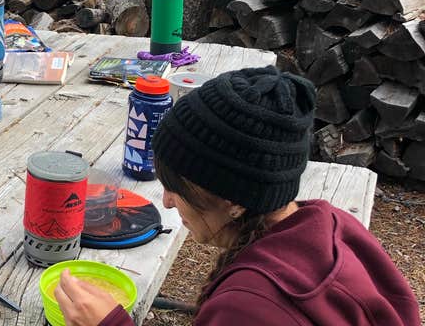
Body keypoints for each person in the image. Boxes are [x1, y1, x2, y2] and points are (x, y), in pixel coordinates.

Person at [54, 66, 421, 326]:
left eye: (175, 188)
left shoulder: (248, 308)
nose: (166, 201)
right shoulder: (335, 224)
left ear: (235, 200)